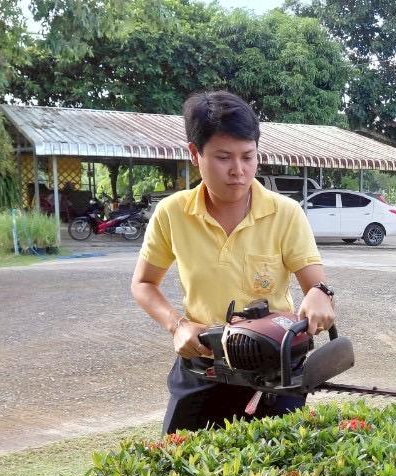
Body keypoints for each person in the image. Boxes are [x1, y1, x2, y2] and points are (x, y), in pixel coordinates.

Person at [130, 91, 335, 432]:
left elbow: (317, 286)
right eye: (223, 157)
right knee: (180, 460)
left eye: (248, 156)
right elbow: (143, 283)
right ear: (195, 154)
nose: (238, 170)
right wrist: (177, 325)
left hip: (273, 371)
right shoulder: (172, 213)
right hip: (204, 363)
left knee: (279, 462)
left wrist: (320, 295)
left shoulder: (285, 213)